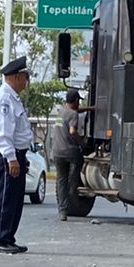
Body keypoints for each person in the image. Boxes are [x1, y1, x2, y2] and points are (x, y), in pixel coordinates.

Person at [0, 54, 34, 254]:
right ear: (14, 77)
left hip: (16, 155)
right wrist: (12, 158)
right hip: (7, 156)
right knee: (5, 199)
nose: (27, 81)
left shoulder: (13, 99)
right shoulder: (4, 99)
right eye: (24, 76)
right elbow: (4, 133)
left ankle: (8, 237)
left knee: (14, 200)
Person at [50, 88, 86, 221]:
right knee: (73, 179)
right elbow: (72, 131)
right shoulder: (73, 115)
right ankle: (74, 193)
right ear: (76, 100)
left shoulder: (61, 112)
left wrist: (90, 109)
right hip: (71, 151)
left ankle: (62, 211)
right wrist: (81, 141)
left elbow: (74, 111)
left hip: (57, 152)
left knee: (61, 181)